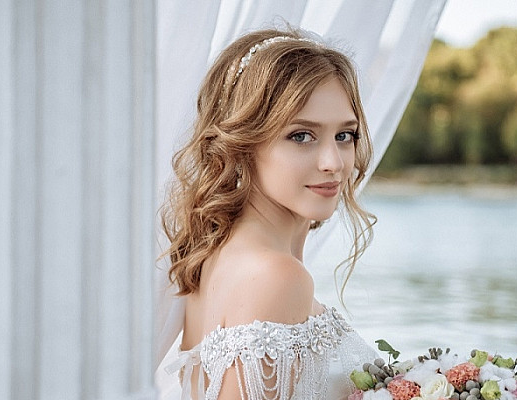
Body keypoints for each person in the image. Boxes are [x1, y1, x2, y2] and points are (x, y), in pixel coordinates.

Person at [159, 27, 378, 400]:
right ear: (244, 143)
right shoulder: (276, 276)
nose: (333, 163)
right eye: (301, 136)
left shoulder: (214, 257)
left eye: (345, 135)